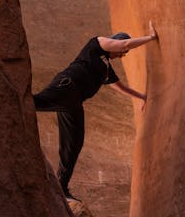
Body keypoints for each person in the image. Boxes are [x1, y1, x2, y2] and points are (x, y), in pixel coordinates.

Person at [33, 21, 157, 201]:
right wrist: (151, 38)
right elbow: (125, 43)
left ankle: (62, 188)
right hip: (67, 85)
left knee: (74, 143)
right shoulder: (97, 43)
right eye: (122, 52)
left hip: (74, 102)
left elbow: (119, 87)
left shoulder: (106, 68)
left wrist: (142, 96)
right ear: (115, 42)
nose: (122, 55)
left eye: (124, 54)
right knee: (36, 102)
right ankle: (7, 100)